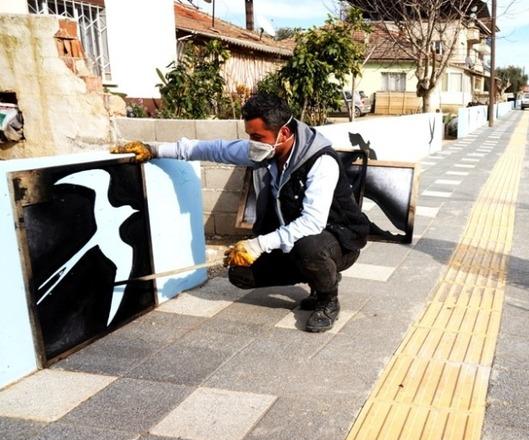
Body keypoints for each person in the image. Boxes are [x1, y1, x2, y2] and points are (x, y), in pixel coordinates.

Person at [114, 94, 370, 333]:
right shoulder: (266, 150)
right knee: (240, 273)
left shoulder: (320, 162)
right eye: (250, 136)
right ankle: (320, 276)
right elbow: (210, 149)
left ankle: (327, 298)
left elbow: (312, 223)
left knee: (309, 248)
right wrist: (154, 149)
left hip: (339, 241)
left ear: (285, 132)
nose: (253, 143)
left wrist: (259, 243)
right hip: (296, 238)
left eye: (258, 137)